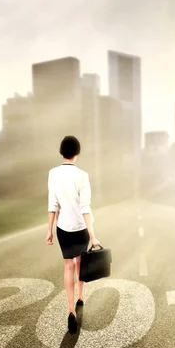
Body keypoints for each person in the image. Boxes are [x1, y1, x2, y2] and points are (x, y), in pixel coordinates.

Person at [46, 135, 100, 334]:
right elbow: (85, 208)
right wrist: (92, 236)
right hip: (81, 228)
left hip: (63, 228)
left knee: (68, 266)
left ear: (62, 152)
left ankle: (70, 311)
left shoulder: (53, 173)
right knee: (80, 263)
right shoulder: (82, 175)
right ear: (77, 153)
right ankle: (80, 298)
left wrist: (49, 231)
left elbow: (52, 205)